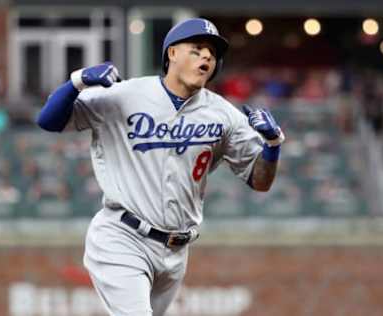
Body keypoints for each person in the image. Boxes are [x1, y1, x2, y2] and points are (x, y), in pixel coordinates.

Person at [36, 18, 285, 316]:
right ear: (172, 54)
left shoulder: (223, 114)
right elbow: (48, 121)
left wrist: (272, 146)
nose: (206, 56)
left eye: (212, 53)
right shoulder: (124, 95)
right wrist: (76, 82)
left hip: (177, 250)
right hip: (123, 235)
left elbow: (260, 181)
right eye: (197, 48)